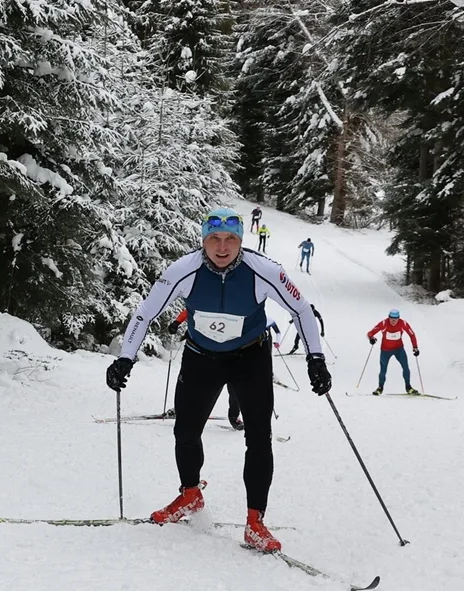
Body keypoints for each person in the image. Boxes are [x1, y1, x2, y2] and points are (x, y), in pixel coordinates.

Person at [106, 207, 329, 553]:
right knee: (186, 430)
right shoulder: (184, 270)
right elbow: (145, 312)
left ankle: (255, 522)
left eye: (230, 240)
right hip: (201, 358)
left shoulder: (264, 270)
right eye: (214, 239)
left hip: (250, 358)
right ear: (203, 240)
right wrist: (125, 358)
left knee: (259, 437)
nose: (222, 247)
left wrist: (315, 358)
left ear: (240, 241)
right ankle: (190, 495)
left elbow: (301, 309)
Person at [366, 309, 419, 396]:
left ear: (398, 318)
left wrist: (415, 347)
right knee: (383, 370)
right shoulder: (384, 323)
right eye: (391, 319)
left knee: (406, 367)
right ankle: (380, 388)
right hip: (385, 351)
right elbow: (370, 333)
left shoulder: (403, 323)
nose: (393, 321)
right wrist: (371, 338)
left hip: (399, 349)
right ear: (389, 318)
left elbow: (412, 334)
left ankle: (408, 387)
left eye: (395, 319)